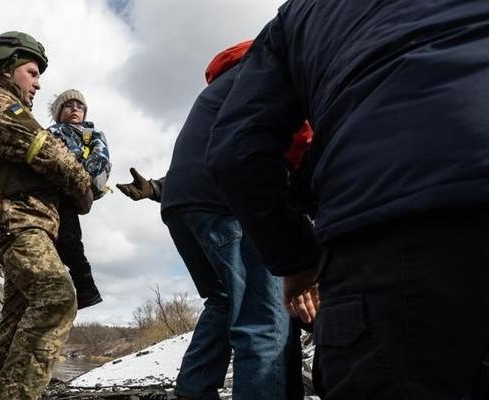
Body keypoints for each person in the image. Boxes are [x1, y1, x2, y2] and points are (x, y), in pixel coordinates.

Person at [206, 2, 489, 399]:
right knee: (256, 319)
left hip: (382, 235)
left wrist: (299, 262)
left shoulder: (299, 15)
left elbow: (236, 151)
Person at [116, 41, 310, 400]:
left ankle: (193, 393)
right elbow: (300, 145)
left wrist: (157, 188)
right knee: (265, 319)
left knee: (222, 301)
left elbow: (203, 155)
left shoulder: (225, 84)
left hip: (181, 205)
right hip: (227, 205)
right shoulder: (275, 69)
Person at [0, 31, 93, 399]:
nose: (38, 83)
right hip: (17, 224)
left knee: (14, 324)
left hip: (21, 225)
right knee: (57, 298)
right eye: (31, 72)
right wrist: (84, 189)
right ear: (7, 69)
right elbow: (53, 155)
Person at [46, 88, 110, 309]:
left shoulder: (92, 135)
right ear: (58, 111)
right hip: (50, 191)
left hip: (73, 192)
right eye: (68, 105)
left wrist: (79, 174)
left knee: (70, 240)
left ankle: (87, 290)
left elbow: (101, 157)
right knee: (52, 241)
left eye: (79, 106)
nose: (74, 109)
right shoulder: (50, 132)